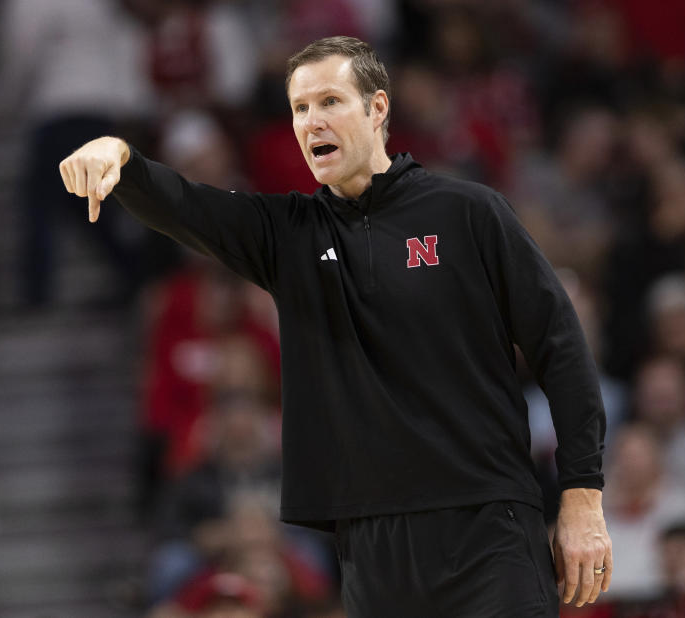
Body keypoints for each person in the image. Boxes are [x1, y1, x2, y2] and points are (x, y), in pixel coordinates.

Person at [58, 36, 610, 616]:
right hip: (371, 546)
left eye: (329, 102)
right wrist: (120, 157)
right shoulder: (289, 234)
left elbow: (562, 345)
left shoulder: (469, 213)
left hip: (487, 524)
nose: (311, 121)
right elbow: (187, 206)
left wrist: (582, 496)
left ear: (377, 110)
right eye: (299, 108)